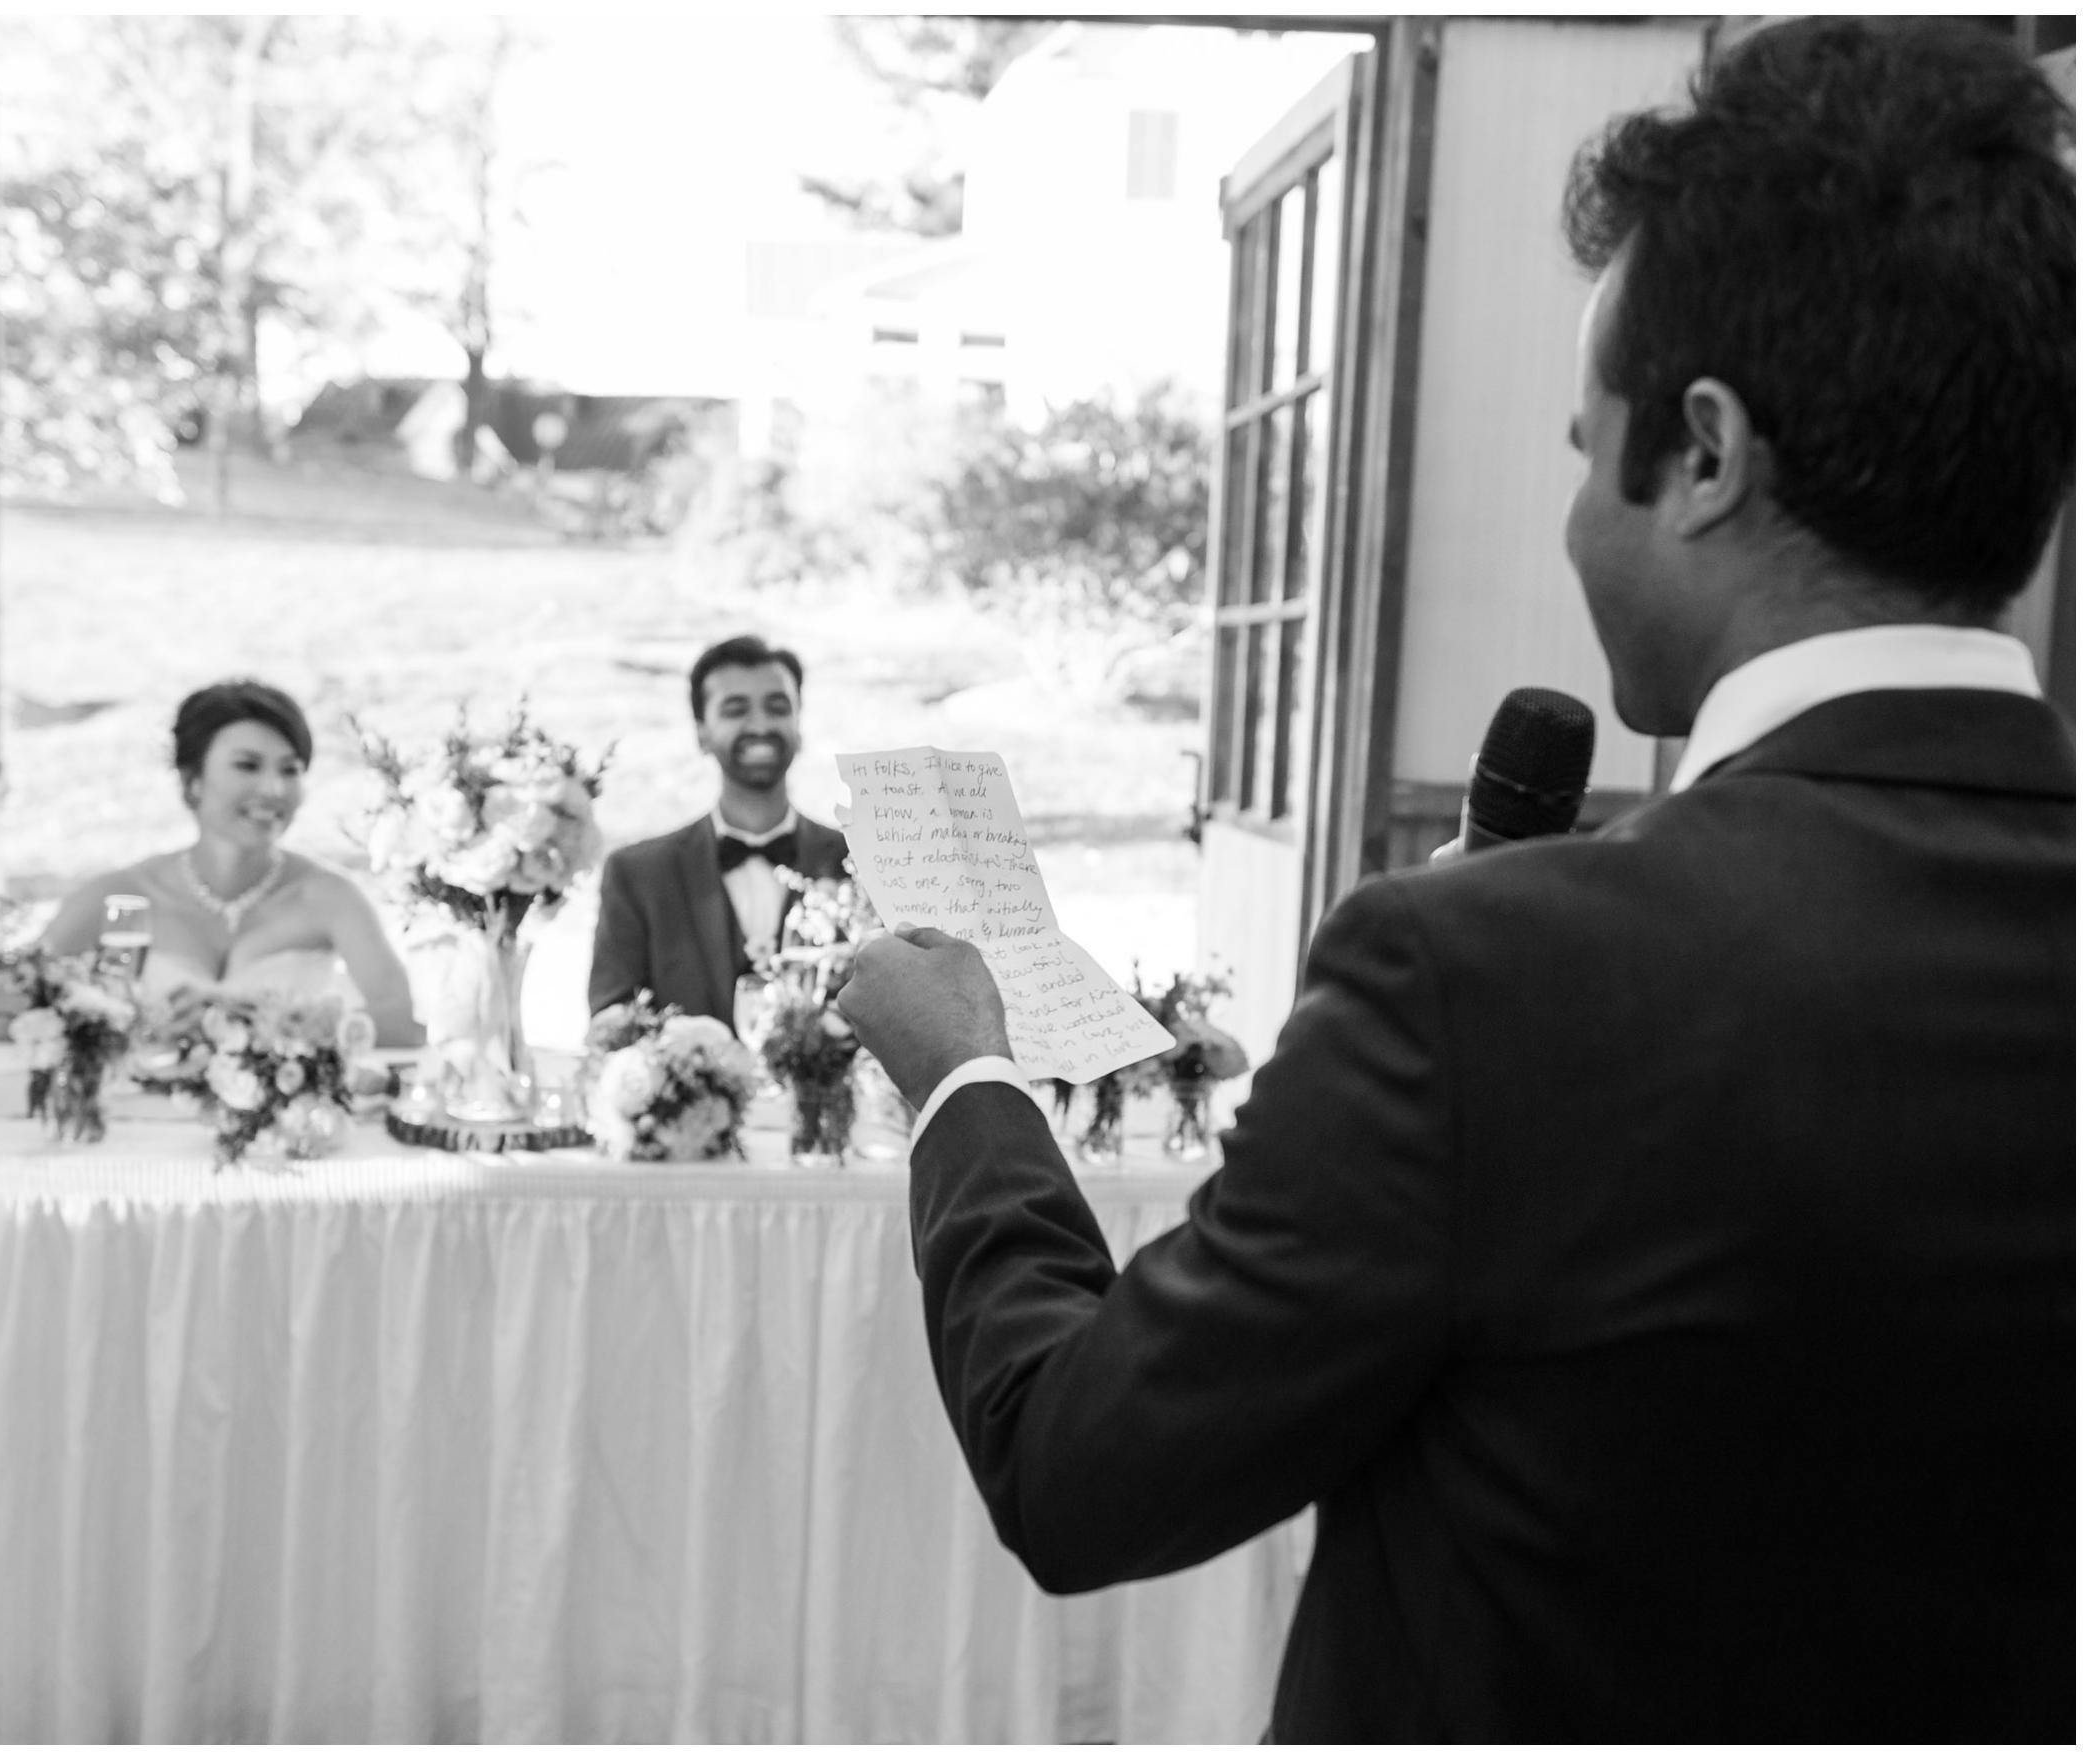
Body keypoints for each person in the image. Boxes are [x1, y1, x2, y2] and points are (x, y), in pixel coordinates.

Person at [838, 19, 2071, 1742]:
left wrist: (966, 1077)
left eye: (1584, 448)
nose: (1575, 515)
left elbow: (1081, 1468)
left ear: (1704, 456)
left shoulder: (1491, 982)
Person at [40, 679, 426, 1046]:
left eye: (289, 770)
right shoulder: (120, 896)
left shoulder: (330, 897)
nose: (273, 789)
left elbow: (404, 1023)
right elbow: (4, 1009)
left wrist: (267, 1021)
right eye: (248, 765)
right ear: (193, 781)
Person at [587, 634, 850, 1023]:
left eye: (777, 707)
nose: (759, 724)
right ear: (702, 733)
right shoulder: (637, 875)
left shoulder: (860, 864)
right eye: (735, 709)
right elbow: (613, 1025)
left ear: (799, 723)